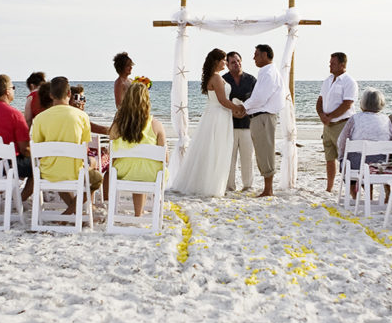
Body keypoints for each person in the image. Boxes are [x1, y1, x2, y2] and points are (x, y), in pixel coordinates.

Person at [170, 49, 239, 197]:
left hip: (216, 114)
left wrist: (233, 109)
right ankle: (210, 186)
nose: (225, 63)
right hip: (218, 116)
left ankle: (210, 183)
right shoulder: (216, 78)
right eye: (223, 60)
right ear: (216, 61)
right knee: (216, 149)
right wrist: (238, 108)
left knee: (212, 149)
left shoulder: (215, 77)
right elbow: (222, 100)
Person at [31, 76, 103, 214]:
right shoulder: (82, 116)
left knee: (57, 171)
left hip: (47, 172)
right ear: (69, 94)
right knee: (97, 178)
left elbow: (37, 148)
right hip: (74, 172)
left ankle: (71, 211)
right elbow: (84, 146)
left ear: (51, 95)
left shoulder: (40, 118)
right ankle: (69, 213)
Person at [109, 81, 167, 217]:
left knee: (136, 166)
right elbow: (165, 157)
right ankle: (138, 213)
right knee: (144, 167)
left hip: (123, 172)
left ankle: (138, 213)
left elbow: (111, 152)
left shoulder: (118, 126)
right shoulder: (156, 125)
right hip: (150, 173)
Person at [241, 44, 284, 198]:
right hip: (260, 116)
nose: (254, 58)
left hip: (264, 116)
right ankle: (267, 188)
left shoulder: (268, 73)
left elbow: (260, 98)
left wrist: (243, 107)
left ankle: (268, 189)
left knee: (265, 151)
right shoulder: (266, 72)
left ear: (265, 55)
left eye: (256, 54)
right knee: (262, 151)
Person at [335, 87, 392, 195]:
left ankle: (355, 196)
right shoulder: (386, 119)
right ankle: (369, 194)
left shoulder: (355, 118)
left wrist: (341, 157)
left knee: (350, 162)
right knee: (366, 159)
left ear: (363, 102)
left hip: (357, 163)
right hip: (380, 163)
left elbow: (342, 140)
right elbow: (390, 139)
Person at [316, 52, 358, 192]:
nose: (330, 65)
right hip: (328, 125)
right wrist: (322, 115)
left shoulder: (349, 82)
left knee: (345, 158)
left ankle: (350, 188)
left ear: (342, 64)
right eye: (330, 63)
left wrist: (331, 116)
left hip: (342, 124)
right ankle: (329, 187)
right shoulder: (327, 80)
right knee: (329, 156)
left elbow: (347, 104)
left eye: (333, 63)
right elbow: (320, 100)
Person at [223, 51, 256, 192]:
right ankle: (230, 186)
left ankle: (247, 186)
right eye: (233, 62)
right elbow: (221, 102)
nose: (236, 64)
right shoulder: (223, 80)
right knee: (230, 158)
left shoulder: (251, 80)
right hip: (229, 125)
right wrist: (233, 112)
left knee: (248, 157)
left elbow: (256, 100)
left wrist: (244, 112)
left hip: (248, 124)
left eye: (238, 61)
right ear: (227, 65)